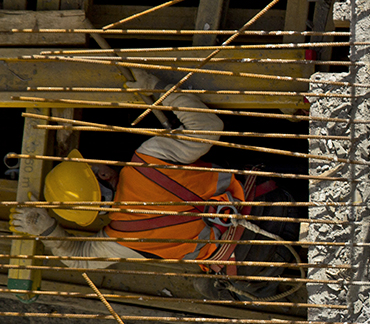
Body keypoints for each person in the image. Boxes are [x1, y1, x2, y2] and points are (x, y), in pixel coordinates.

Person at [9, 69, 299, 301]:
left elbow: (77, 259)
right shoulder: (148, 158)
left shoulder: (121, 240)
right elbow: (209, 127)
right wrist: (157, 87)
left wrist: (46, 229)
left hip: (257, 268)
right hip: (279, 212)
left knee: (208, 287)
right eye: (91, 166)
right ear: (103, 176)